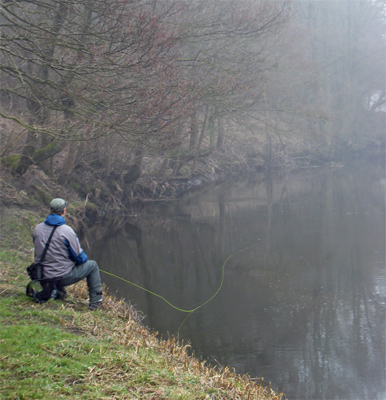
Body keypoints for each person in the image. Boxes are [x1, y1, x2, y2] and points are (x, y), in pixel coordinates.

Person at [28, 198, 103, 310]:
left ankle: (58, 293)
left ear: (51, 210)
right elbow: (80, 258)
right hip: (59, 276)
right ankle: (96, 304)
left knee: (59, 265)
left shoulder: (37, 229)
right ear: (63, 211)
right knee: (92, 266)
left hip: (41, 275)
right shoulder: (67, 231)